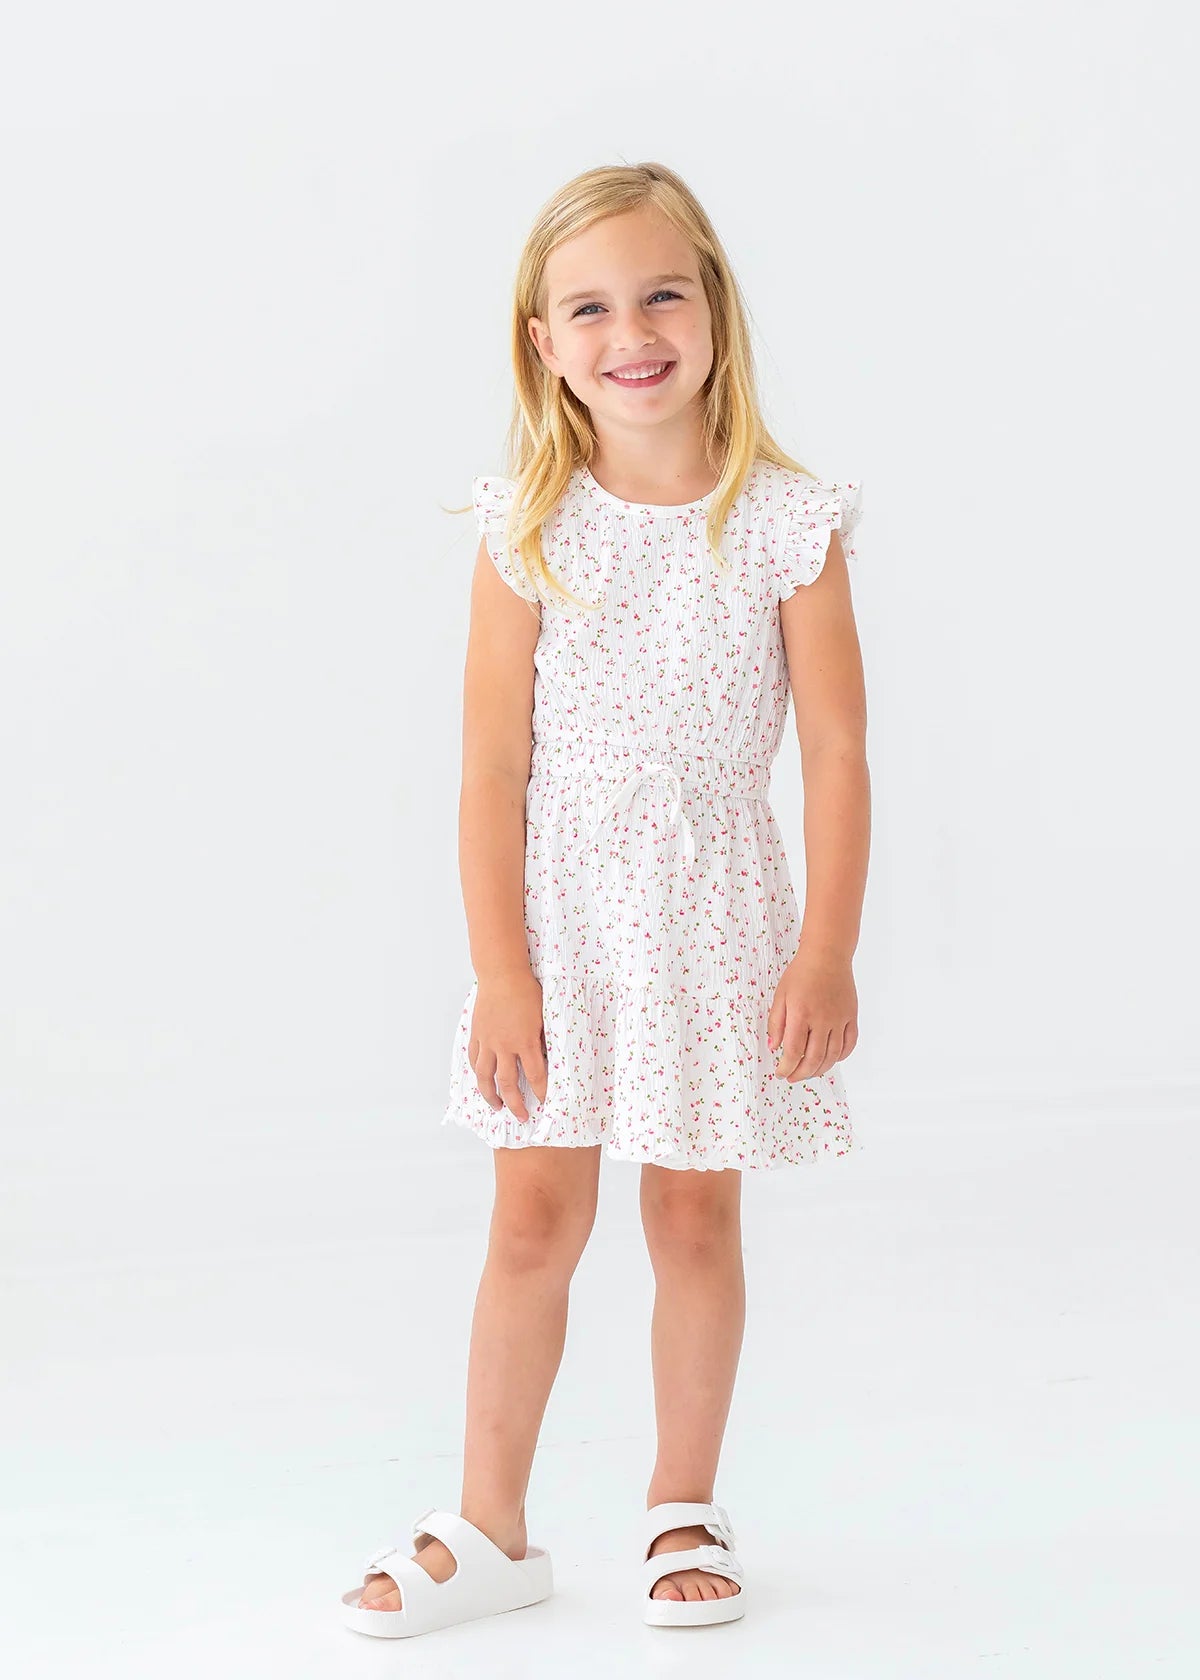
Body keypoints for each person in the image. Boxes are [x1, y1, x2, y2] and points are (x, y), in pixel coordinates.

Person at [340, 160, 870, 1639]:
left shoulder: (787, 523)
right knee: (533, 1218)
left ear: (714, 311)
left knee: (694, 1218)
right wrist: (500, 972)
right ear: (543, 342)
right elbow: (490, 768)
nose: (630, 332)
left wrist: (827, 949)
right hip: (561, 928)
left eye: (660, 295)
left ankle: (680, 1502)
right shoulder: (527, 525)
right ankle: (489, 1525)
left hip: (715, 924)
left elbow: (837, 752)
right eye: (588, 307)